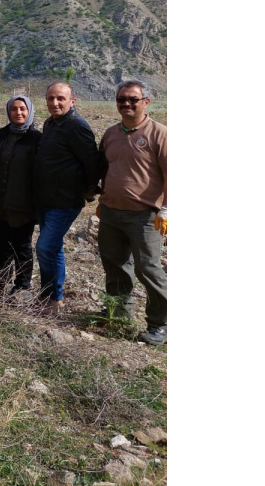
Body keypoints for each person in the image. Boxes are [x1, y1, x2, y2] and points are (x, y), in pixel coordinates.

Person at [96, 79, 168, 345]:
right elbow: (105, 167)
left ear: (146, 102)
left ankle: (161, 324)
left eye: (132, 99)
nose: (126, 103)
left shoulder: (159, 134)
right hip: (111, 213)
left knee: (148, 269)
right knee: (114, 266)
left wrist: (167, 209)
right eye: (121, 99)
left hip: (145, 216)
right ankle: (118, 313)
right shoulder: (111, 133)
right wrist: (101, 199)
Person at [33, 82, 101, 317]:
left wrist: (90, 189)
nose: (55, 103)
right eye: (51, 98)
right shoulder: (50, 124)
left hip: (65, 200)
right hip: (45, 198)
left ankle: (51, 298)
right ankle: (53, 296)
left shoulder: (76, 125)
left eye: (60, 98)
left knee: (44, 247)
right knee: (54, 248)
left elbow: (92, 161)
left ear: (73, 101)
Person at [0, 96, 42, 295]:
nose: (18, 113)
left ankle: (22, 286)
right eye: (14, 109)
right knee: (2, 244)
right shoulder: (1, 134)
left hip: (22, 204)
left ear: (30, 112)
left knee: (22, 246)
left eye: (22, 109)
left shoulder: (36, 138)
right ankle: (3, 282)